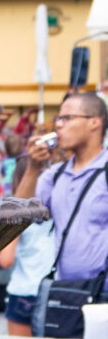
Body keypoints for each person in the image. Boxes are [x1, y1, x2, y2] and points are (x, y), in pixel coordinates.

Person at [15, 92, 108, 289]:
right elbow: (18, 216)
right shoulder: (54, 175)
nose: (58, 125)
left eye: (67, 118)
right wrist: (32, 168)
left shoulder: (104, 171)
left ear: (94, 123)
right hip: (65, 290)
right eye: (58, 119)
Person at [0, 156, 55, 336]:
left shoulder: (19, 218)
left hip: (24, 292)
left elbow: (5, 260)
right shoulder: (60, 210)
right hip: (55, 291)